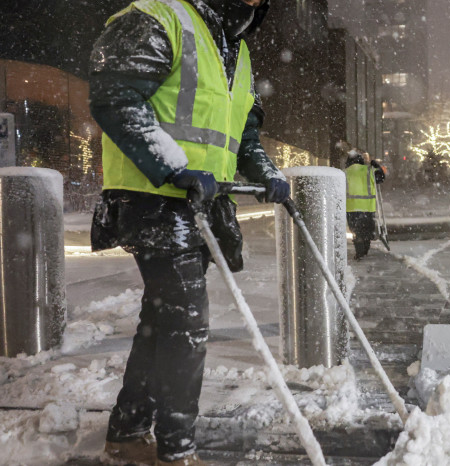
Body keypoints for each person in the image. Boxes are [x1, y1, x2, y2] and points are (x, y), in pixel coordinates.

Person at [87, 0, 289, 464]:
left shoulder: (233, 47)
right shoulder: (160, 17)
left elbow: (244, 132)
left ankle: (128, 431)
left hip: (198, 201)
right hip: (151, 196)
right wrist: (173, 166)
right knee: (185, 323)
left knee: (163, 322)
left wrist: (265, 172)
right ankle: (177, 451)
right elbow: (115, 96)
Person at [345, 150, 386, 260]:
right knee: (366, 231)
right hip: (368, 208)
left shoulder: (345, 172)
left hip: (351, 208)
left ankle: (359, 252)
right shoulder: (369, 171)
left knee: (356, 232)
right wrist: (377, 166)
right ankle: (365, 250)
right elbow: (381, 178)